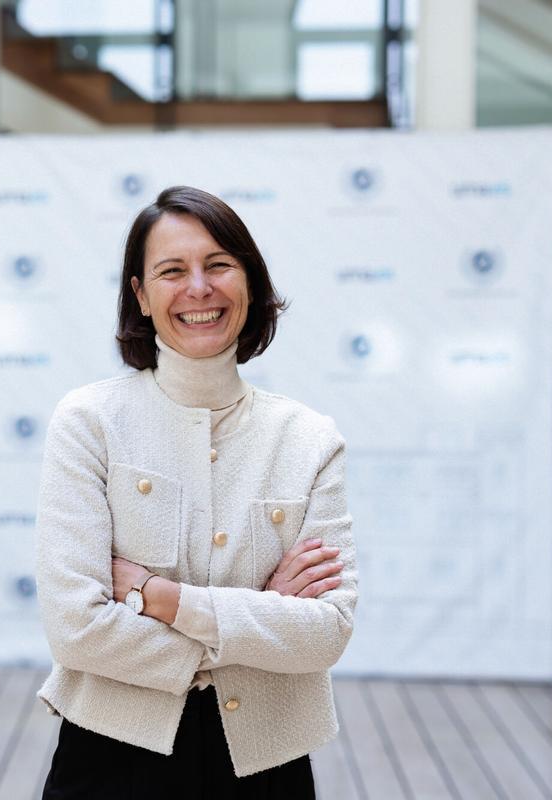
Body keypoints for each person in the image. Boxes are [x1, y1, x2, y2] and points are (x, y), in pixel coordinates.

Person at [35, 185, 358, 798]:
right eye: (172, 271)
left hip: (267, 762)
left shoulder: (310, 439)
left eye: (218, 265)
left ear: (251, 283)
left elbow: (327, 631)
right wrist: (253, 622)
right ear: (141, 295)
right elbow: (75, 626)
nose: (199, 289)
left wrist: (157, 596)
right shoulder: (89, 422)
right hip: (109, 755)